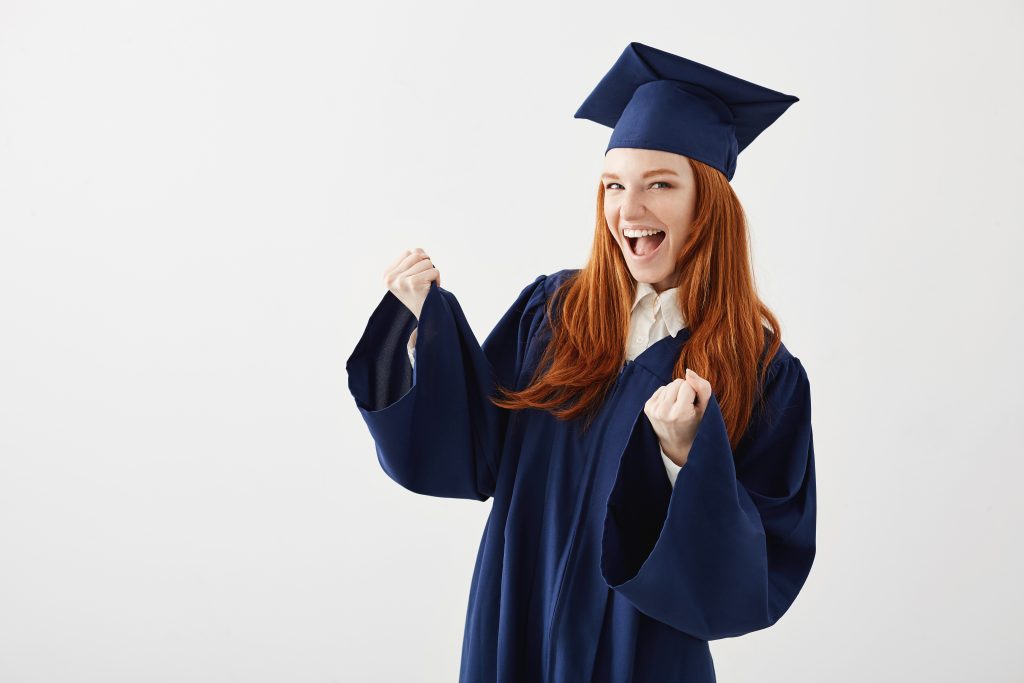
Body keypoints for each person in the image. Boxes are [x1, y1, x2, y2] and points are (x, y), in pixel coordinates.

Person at [346, 41, 816, 683]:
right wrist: (416, 334)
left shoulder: (760, 370)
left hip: (642, 652)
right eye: (614, 186)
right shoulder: (553, 311)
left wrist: (685, 456)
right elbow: (471, 453)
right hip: (516, 618)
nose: (629, 210)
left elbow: (755, 574)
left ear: (707, 202)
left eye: (660, 184)